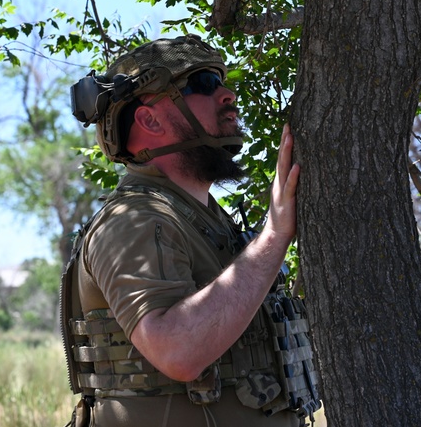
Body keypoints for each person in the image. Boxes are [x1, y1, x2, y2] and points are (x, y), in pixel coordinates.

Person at [61, 34, 321, 427]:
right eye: (203, 84)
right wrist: (273, 238)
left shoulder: (203, 219)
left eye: (221, 81)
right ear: (149, 119)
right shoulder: (134, 220)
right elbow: (176, 350)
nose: (228, 94)